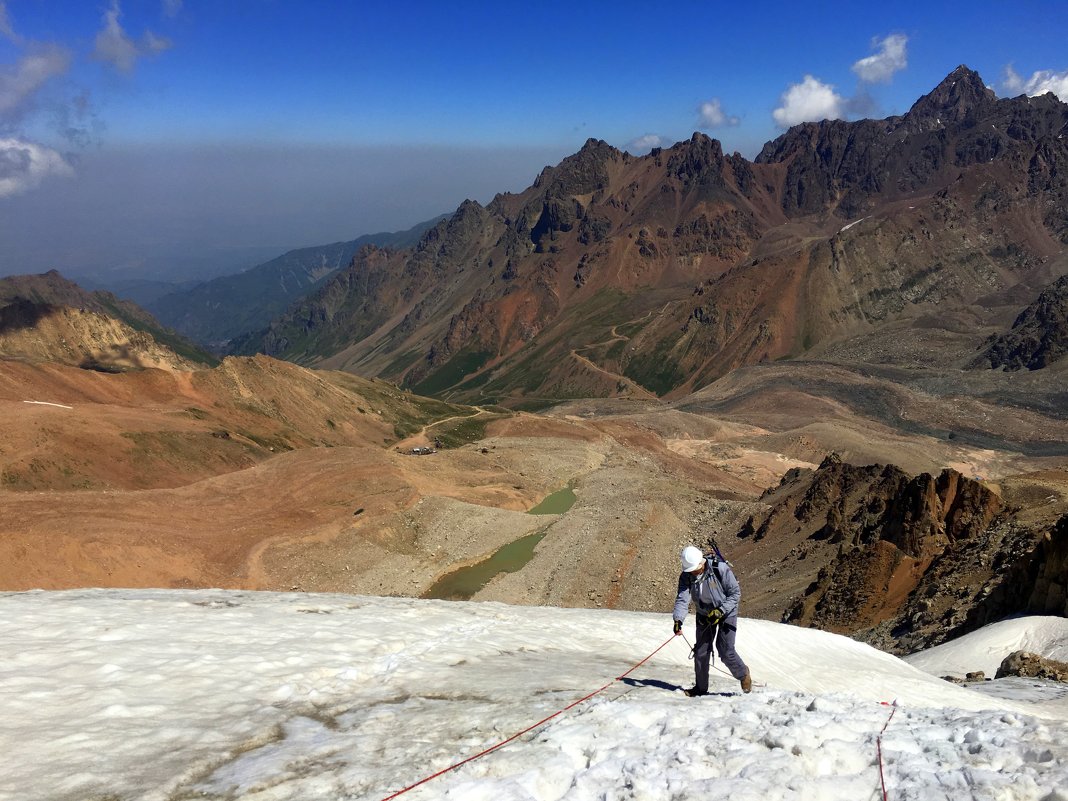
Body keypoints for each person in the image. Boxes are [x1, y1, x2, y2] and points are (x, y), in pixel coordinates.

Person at [672, 545, 752, 696]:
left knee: (725, 650)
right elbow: (682, 599)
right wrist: (678, 620)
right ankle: (700, 689)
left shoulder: (719, 569)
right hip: (704, 614)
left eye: (694, 569)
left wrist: (720, 611)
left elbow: (735, 594)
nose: (692, 573)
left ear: (701, 563)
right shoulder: (686, 576)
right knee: (701, 652)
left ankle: (743, 674)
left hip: (726, 613)